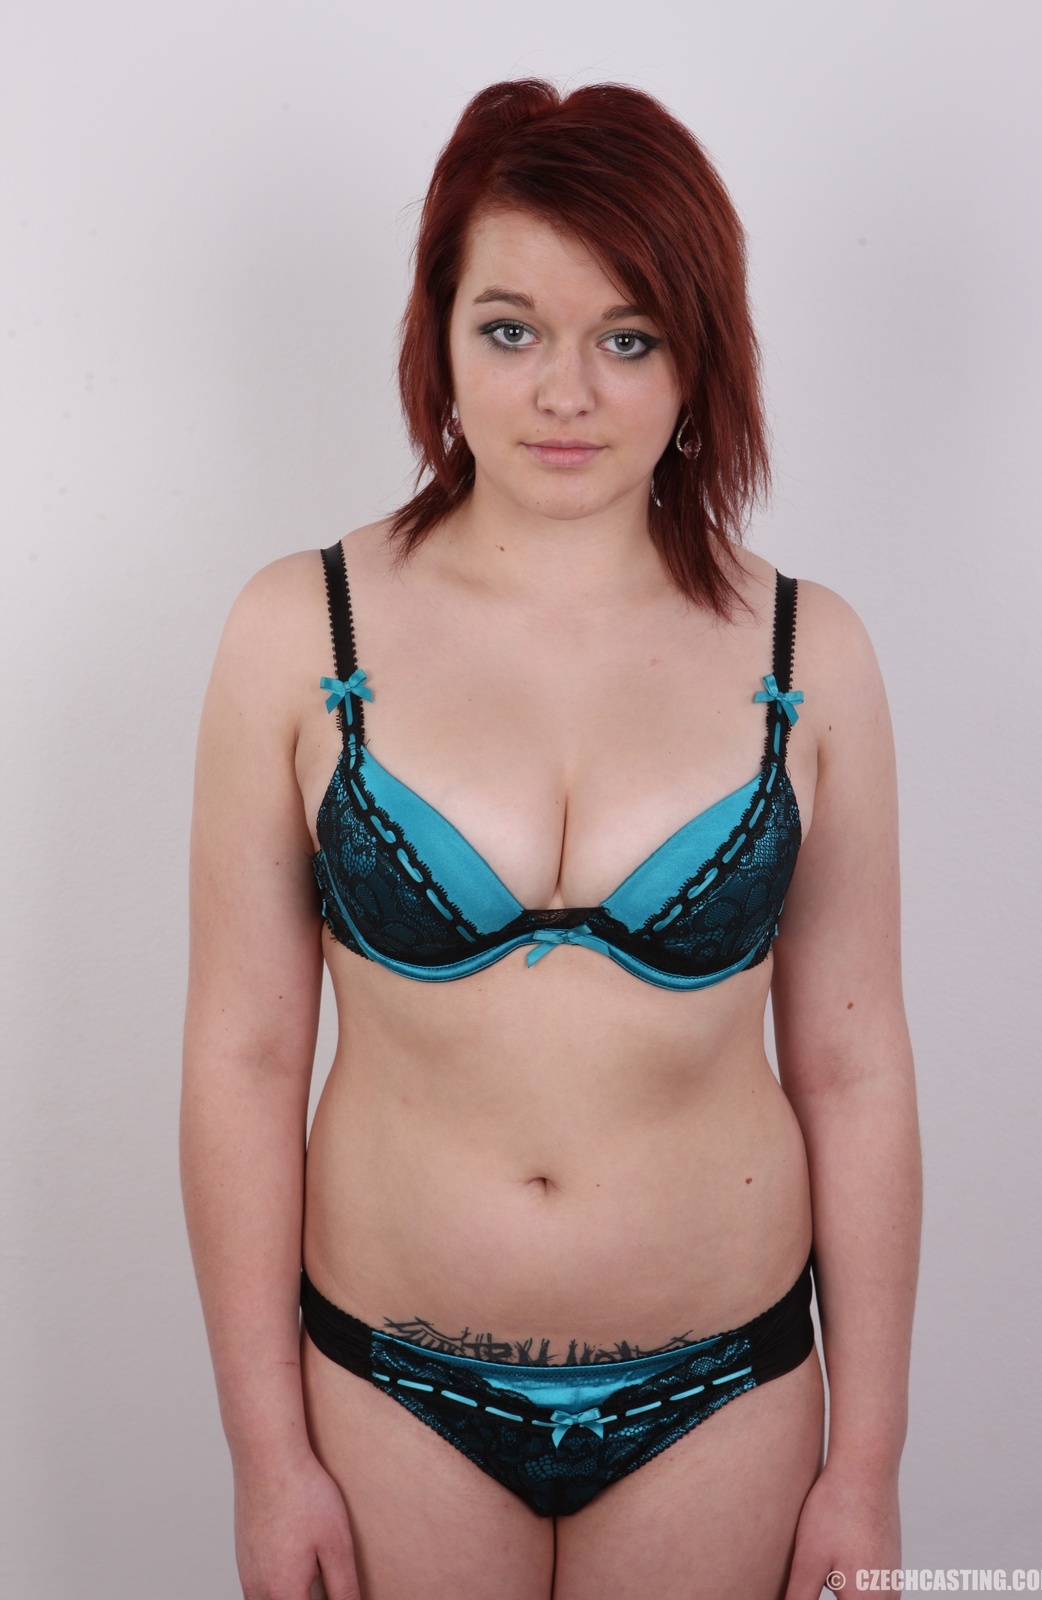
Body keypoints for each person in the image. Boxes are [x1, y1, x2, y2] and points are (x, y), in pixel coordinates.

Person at [181, 79, 921, 1600]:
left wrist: (867, 1469)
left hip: (726, 1399)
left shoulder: (813, 651)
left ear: (699, 357)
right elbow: (244, 1057)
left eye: (627, 338)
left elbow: (855, 1070)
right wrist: (265, 1454)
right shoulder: (297, 629)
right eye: (511, 328)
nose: (565, 392)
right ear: (439, 339)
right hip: (388, 1395)